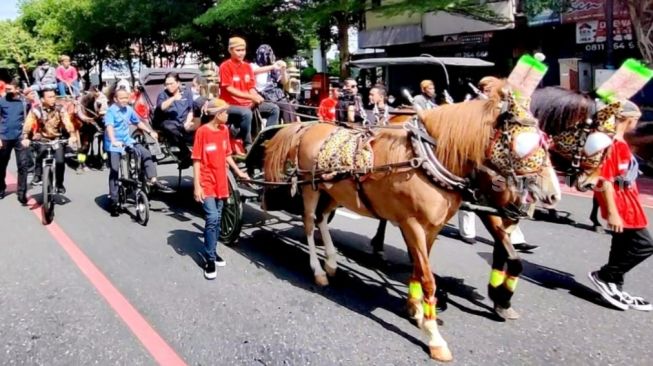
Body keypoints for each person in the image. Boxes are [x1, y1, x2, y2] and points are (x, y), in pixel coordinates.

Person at [457, 76, 538, 252]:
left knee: (508, 197)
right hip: (475, 153)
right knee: (468, 193)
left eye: (493, 87)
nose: (491, 91)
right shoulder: (473, 104)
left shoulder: (505, 104)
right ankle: (467, 232)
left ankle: (514, 237)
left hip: (497, 156)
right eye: (487, 88)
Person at [588, 100, 653, 311]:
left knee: (621, 246)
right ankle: (605, 275)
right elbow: (605, 180)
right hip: (620, 202)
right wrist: (613, 214)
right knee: (644, 245)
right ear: (630, 119)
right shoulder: (614, 145)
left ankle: (615, 286)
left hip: (627, 199)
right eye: (637, 119)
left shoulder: (620, 142)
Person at [192, 98, 249, 279]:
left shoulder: (224, 130)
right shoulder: (202, 132)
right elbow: (197, 160)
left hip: (221, 181)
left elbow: (227, 155)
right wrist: (197, 186)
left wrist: (239, 172)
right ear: (217, 115)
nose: (228, 115)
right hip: (206, 181)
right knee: (212, 217)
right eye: (225, 112)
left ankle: (213, 250)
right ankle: (209, 259)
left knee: (217, 219)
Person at [105, 89, 173, 216]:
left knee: (145, 153)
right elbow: (109, 127)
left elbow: (138, 122)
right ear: (115, 99)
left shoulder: (129, 110)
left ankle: (153, 179)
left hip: (127, 140)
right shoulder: (111, 111)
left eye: (126, 98)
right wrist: (113, 140)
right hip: (113, 144)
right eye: (122, 98)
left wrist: (150, 131)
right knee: (114, 169)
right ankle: (114, 201)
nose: (125, 100)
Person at [219, 37, 280, 151]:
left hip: (247, 103)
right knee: (246, 113)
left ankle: (266, 140)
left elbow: (251, 87)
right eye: (238, 50)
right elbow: (229, 89)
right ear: (230, 50)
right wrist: (251, 97)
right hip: (229, 105)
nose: (241, 53)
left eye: (243, 50)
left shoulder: (247, 67)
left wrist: (256, 96)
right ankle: (247, 144)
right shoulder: (225, 66)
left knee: (274, 109)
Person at [21, 89, 77, 194]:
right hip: (43, 138)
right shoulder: (36, 110)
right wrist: (25, 137)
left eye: (54, 96)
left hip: (57, 139)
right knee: (40, 154)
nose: (53, 99)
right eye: (50, 97)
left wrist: (72, 135)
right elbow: (28, 122)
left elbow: (67, 122)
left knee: (60, 161)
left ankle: (59, 184)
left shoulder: (60, 109)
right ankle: (37, 175)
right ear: (42, 99)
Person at [155, 72, 196, 168]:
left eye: (171, 83)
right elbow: (161, 107)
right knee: (170, 127)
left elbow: (191, 110)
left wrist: (188, 122)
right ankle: (185, 152)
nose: (169, 86)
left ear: (178, 83)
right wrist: (173, 98)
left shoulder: (187, 93)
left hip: (184, 122)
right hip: (169, 123)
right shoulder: (162, 95)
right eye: (167, 84)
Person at [0, 79, 31, 204]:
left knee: (23, 165)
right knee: (1, 165)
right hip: (4, 137)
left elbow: (31, 118)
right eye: (6, 89)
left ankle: (22, 193)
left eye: (10, 89)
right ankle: (1, 188)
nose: (7, 91)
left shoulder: (24, 103)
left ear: (17, 89)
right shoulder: (1, 102)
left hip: (20, 137)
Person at [252, 44, 294, 123]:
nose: (267, 57)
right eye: (265, 55)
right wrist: (272, 67)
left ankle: (291, 130)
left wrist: (283, 70)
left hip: (276, 95)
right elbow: (254, 71)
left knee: (288, 107)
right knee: (276, 107)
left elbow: (284, 82)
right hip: (262, 95)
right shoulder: (253, 66)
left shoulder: (274, 67)